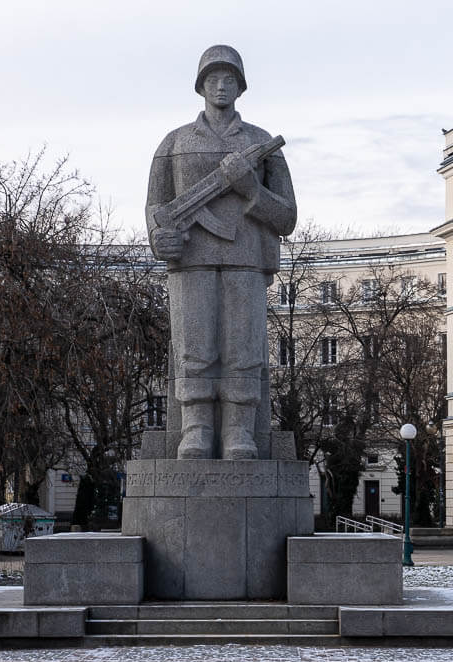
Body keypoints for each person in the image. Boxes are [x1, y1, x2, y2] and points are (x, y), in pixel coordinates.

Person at [146, 45, 296, 460]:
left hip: (246, 258)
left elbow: (286, 216)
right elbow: (157, 208)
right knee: (195, 344)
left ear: (241, 86)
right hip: (190, 260)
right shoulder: (174, 142)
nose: (221, 85)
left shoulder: (260, 143)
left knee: (242, 347)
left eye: (230, 78)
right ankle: (195, 428)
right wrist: (160, 239)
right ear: (200, 85)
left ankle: (239, 432)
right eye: (213, 78)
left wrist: (250, 188)